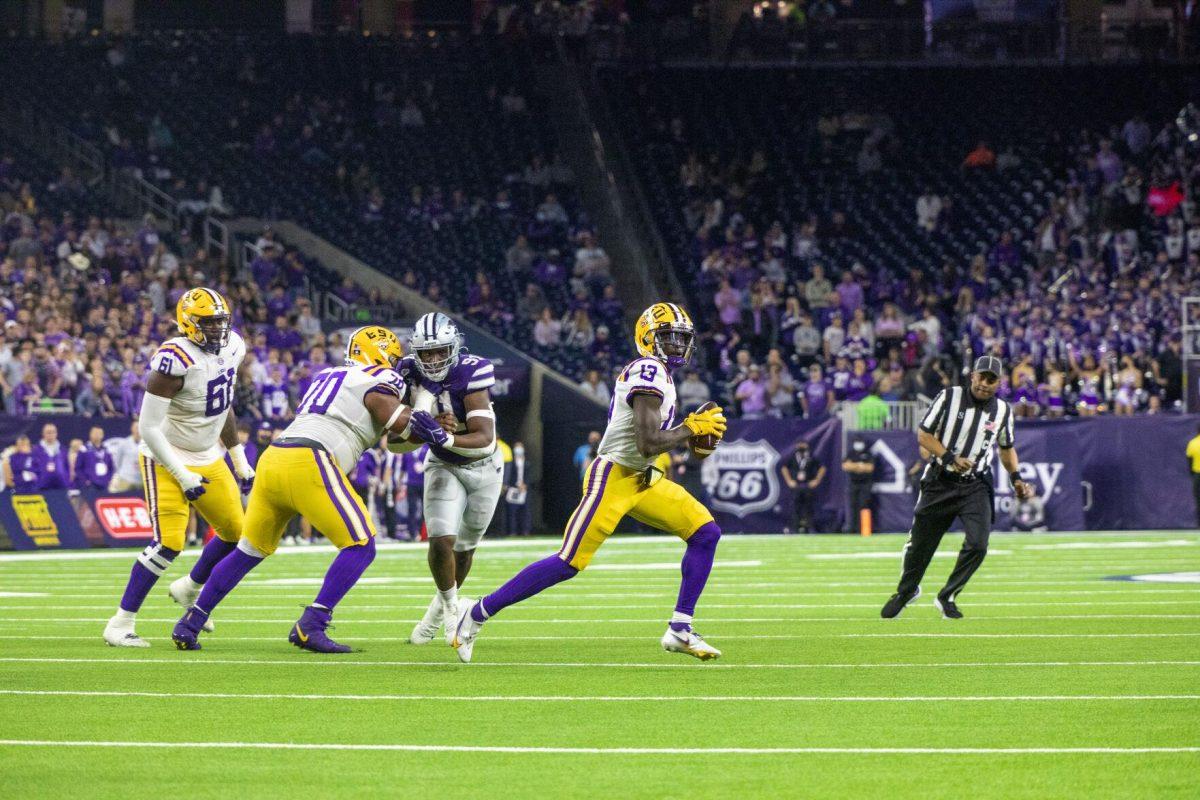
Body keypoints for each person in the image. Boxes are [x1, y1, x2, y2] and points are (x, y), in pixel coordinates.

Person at [450, 302, 728, 663]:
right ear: (647, 339)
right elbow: (647, 442)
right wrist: (690, 428)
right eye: (669, 338)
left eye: (681, 339)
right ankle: (475, 612)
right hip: (612, 477)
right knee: (569, 561)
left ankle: (680, 628)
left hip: (644, 479)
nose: (677, 345)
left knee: (705, 533)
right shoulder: (647, 369)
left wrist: (697, 441)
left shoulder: (661, 375)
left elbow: (666, 446)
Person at [172, 326, 413, 652]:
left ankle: (192, 621)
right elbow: (395, 419)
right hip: (311, 459)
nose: (396, 366)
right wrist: (432, 422)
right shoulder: (379, 379)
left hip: (276, 457)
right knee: (361, 544)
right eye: (394, 359)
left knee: (248, 551)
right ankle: (311, 624)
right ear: (382, 354)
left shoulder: (329, 374)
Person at [103, 289, 253, 648]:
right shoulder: (173, 359)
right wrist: (182, 475)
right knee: (168, 543)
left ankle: (189, 588)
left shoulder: (234, 348)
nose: (217, 328)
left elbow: (223, 404)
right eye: (209, 322)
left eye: (221, 320)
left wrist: (238, 457)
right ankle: (120, 622)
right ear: (189, 323)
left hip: (207, 454)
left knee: (236, 533)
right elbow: (149, 427)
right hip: (164, 456)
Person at [882, 356, 1034, 620]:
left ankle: (948, 595)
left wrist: (1016, 478)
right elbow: (924, 435)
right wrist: (950, 457)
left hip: (975, 484)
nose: (984, 384)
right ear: (972, 375)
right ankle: (907, 591)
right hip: (940, 480)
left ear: (999, 383)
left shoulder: (1002, 411)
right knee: (920, 546)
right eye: (981, 377)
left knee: (978, 545)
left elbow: (1006, 448)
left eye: (991, 379)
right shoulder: (949, 397)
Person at [400, 313, 503, 647]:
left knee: (465, 548)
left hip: (484, 466)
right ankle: (450, 613)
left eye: (439, 351)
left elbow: (485, 438)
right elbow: (394, 443)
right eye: (426, 353)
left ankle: (434, 615)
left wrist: (444, 435)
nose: (432, 359)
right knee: (440, 540)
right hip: (443, 465)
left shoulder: (472, 370)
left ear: (454, 346)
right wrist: (422, 427)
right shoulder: (406, 373)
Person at [781, 440, 825, 533]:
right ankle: (795, 528)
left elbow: (822, 467)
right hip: (796, 485)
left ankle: (810, 527)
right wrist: (789, 481)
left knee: (809, 507)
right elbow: (784, 467)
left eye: (803, 444)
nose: (801, 446)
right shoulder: (793, 456)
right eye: (799, 444)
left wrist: (816, 480)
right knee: (795, 507)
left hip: (807, 484)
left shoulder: (811, 456)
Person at [842, 438, 876, 533]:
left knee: (864, 504)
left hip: (865, 483)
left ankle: (864, 528)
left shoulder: (868, 453)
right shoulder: (851, 453)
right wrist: (860, 466)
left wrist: (853, 466)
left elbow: (870, 468)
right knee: (852, 505)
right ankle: (851, 528)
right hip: (853, 483)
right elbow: (845, 466)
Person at [400, 443, 428, 540]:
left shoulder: (427, 446)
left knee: (425, 510)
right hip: (411, 483)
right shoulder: (407, 448)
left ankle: (423, 533)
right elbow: (403, 469)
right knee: (412, 509)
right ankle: (412, 534)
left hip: (425, 483)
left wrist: (424, 466)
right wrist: (401, 484)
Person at [73, 426, 115, 491]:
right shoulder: (84, 449)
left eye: (99, 433)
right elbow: (78, 468)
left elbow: (111, 467)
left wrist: (108, 479)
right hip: (90, 485)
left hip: (104, 484)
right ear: (90, 434)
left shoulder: (106, 450)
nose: (97, 435)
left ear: (102, 435)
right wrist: (85, 480)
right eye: (95, 433)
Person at [105, 420, 142, 492]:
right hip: (125, 478)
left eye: (139, 428)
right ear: (132, 429)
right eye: (136, 427)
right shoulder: (124, 443)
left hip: (140, 480)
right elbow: (117, 461)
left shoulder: (145, 443)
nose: (138, 430)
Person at [504, 441, 531, 536]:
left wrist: (525, 485)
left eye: (520, 447)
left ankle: (525, 531)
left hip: (524, 490)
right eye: (517, 447)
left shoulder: (527, 463)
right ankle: (512, 532)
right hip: (513, 489)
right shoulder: (511, 463)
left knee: (525, 512)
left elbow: (528, 476)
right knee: (512, 512)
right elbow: (508, 476)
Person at [32, 423, 69, 490]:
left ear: (56, 433)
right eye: (48, 432)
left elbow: (67, 466)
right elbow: (33, 466)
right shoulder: (36, 449)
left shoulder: (63, 449)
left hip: (61, 485)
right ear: (43, 434)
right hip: (42, 486)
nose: (51, 435)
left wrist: (66, 479)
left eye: (53, 432)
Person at [1188, 423, 1200, 528]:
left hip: (1197, 474)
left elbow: (1189, 461)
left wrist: (1192, 474)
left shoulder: (1193, 443)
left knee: (1198, 499)